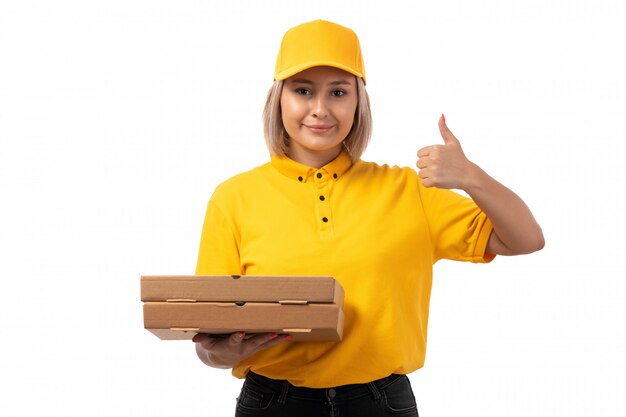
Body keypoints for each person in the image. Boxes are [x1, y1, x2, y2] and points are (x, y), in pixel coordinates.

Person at [192, 19, 544, 416]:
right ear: (279, 99)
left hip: (381, 403)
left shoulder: (409, 191)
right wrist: (228, 351)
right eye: (303, 91)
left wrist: (471, 177)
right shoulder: (233, 198)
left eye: (338, 92)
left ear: (358, 102)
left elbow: (526, 239)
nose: (320, 109)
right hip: (273, 402)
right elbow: (211, 349)